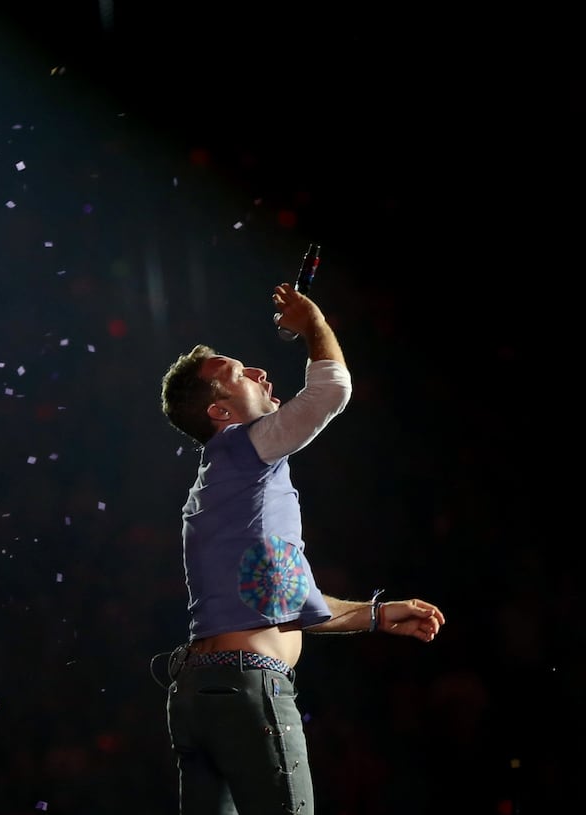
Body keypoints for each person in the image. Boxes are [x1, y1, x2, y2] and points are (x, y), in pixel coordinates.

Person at [155, 281, 445, 815]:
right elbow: (331, 392)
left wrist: (376, 615)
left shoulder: (224, 493)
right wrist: (314, 325)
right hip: (249, 692)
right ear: (221, 413)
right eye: (240, 375)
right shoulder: (243, 451)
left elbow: (285, 602)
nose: (262, 373)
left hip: (198, 695)